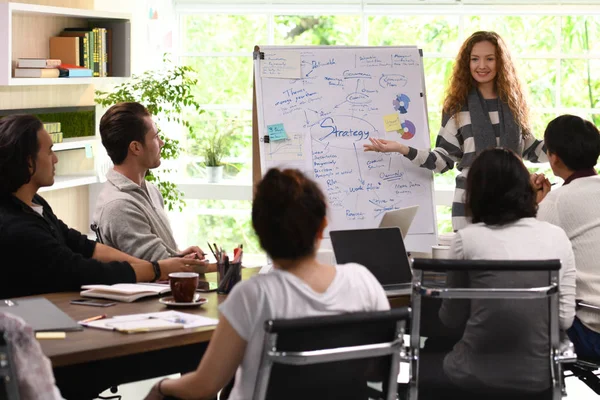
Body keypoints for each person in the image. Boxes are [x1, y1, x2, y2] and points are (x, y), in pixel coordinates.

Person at [144, 168, 389, 400]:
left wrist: (161, 385)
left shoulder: (253, 295)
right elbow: (380, 369)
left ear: (260, 235)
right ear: (322, 226)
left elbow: (204, 386)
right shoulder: (362, 281)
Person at [406, 148, 576, 399]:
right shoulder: (556, 237)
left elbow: (452, 320)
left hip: (472, 379)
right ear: (525, 189)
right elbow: (564, 320)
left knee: (432, 348)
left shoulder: (467, 239)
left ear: (475, 194)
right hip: (539, 380)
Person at [0, 114, 204, 299]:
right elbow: (81, 270)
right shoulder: (17, 227)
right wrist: (157, 269)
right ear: (29, 162)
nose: (56, 159)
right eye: (49, 151)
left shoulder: (37, 205)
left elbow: (84, 246)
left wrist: (155, 267)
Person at [364, 31, 546, 231]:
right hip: (470, 204)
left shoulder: (514, 106)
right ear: (467, 63)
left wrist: (574, 143)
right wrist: (402, 148)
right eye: (475, 59)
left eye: (490, 59)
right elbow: (442, 160)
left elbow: (532, 150)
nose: (482, 65)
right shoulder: (458, 108)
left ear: (501, 62)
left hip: (514, 204)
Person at [93, 102, 205, 261]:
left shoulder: (150, 190)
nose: (161, 143)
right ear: (136, 148)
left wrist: (178, 254)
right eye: (155, 136)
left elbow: (163, 259)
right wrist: (226, 267)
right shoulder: (118, 206)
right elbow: (160, 268)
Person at [536, 115, 600, 361]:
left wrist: (538, 205)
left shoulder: (557, 201)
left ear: (553, 157)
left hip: (590, 331)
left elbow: (529, 253)